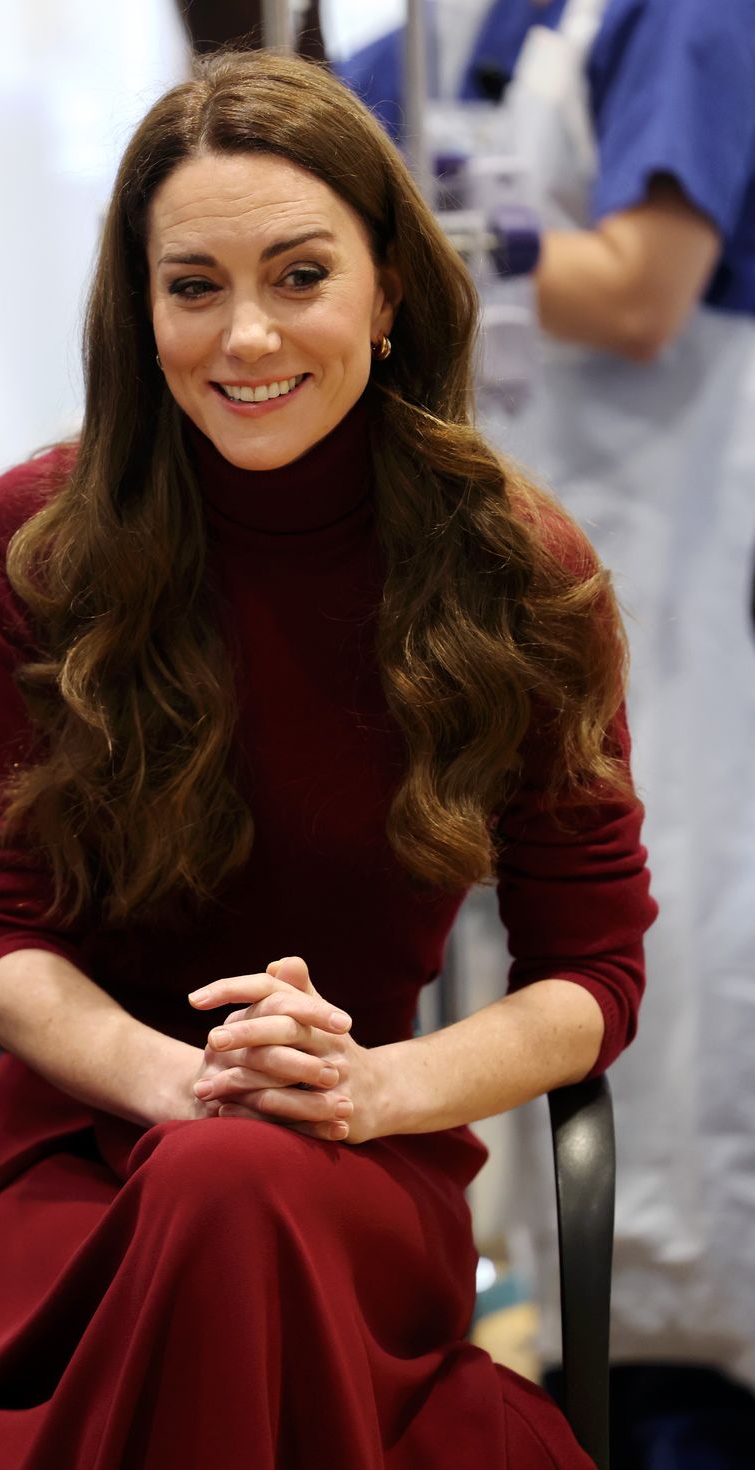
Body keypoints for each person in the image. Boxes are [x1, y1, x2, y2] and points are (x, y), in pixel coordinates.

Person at [0, 49, 657, 1470]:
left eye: (299, 276)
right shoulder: (40, 545)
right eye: (195, 286)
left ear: (392, 296)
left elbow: (592, 974)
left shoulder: (525, 576)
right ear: (142, 310)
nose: (246, 335)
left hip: (362, 1162)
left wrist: (371, 1087)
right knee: (221, 1176)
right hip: (82, 1174)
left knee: (242, 1184)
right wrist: (180, 1081)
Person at [460, 2, 755, 1464]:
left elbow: (644, 292)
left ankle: (675, 1399)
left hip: (669, 591)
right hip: (513, 600)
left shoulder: (685, 20)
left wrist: (472, 243)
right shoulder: (491, 25)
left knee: (668, 990)